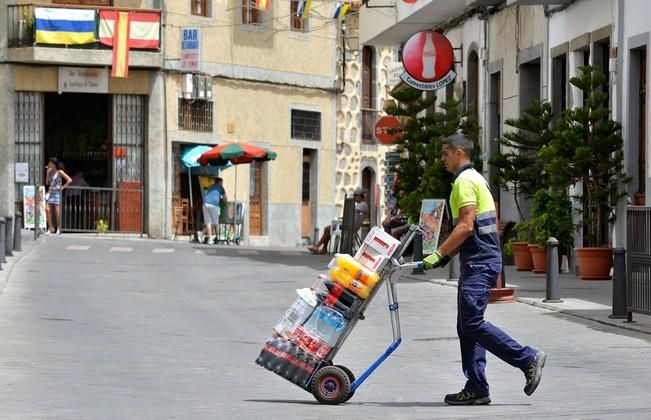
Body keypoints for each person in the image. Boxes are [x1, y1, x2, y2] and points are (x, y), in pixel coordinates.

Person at [423, 134, 546, 406]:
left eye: (445, 153)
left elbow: (466, 226)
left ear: (458, 153)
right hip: (481, 259)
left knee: (471, 323)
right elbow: (472, 228)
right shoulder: (476, 178)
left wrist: (439, 253)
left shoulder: (464, 182)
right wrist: (445, 255)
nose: (442, 159)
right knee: (466, 326)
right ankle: (477, 387)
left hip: (479, 261)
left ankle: (527, 359)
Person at [308, 188, 369, 254]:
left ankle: (319, 247)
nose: (354, 198)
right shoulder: (360, 205)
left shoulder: (363, 205)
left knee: (328, 229)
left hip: (350, 227)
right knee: (328, 229)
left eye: (355, 196)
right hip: (349, 225)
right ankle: (322, 248)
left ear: (360, 196)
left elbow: (352, 212)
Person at [45, 157, 72, 235]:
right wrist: (47, 174)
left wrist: (63, 187)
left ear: (53, 164)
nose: (48, 164)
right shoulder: (49, 172)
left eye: (50, 163)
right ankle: (51, 227)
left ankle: (59, 228)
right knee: (47, 209)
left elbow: (69, 180)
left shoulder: (59, 172)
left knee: (57, 211)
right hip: (50, 192)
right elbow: (47, 183)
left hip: (57, 193)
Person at [201, 177, 227, 244]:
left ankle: (206, 237)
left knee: (208, 222)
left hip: (205, 204)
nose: (222, 184)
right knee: (215, 222)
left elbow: (209, 195)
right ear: (220, 182)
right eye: (222, 182)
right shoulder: (221, 187)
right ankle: (204, 234)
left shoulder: (210, 186)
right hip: (213, 205)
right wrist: (222, 200)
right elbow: (225, 199)